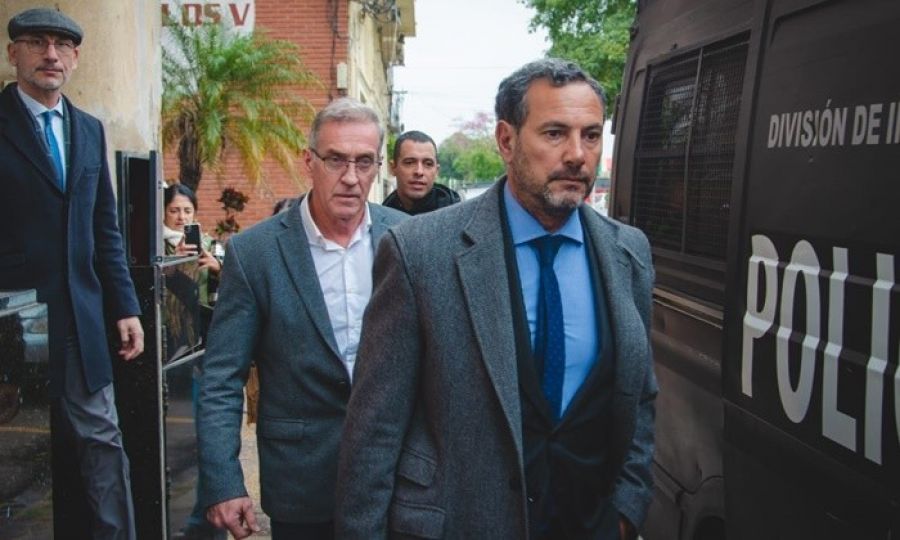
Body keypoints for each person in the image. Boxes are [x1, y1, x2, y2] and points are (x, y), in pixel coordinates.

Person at [336, 58, 657, 539]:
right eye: (554, 133)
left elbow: (639, 393)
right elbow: (374, 430)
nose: (577, 154)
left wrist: (628, 508)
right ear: (506, 141)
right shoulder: (419, 252)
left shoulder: (628, 252)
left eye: (591, 135)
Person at [196, 98, 407, 540]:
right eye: (336, 160)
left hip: (397, 478)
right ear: (309, 161)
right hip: (301, 480)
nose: (351, 177)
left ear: (378, 166)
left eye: (364, 162)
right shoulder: (255, 253)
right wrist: (223, 481)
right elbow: (221, 377)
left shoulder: (408, 237)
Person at [0, 8, 144, 539]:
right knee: (13, 453)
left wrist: (125, 306)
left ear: (76, 58)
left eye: (62, 46)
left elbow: (105, 228)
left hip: (81, 321)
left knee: (103, 444)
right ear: (13, 53)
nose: (50, 55)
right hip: (11, 323)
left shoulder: (87, 129)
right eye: (37, 43)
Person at [382, 130, 460, 214]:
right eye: (409, 163)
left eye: (428, 164)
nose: (419, 171)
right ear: (393, 168)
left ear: (437, 171)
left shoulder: (457, 215)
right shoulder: (381, 216)